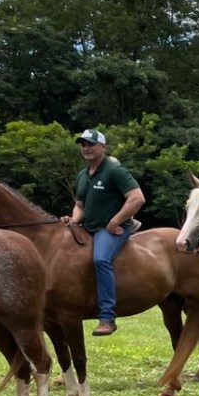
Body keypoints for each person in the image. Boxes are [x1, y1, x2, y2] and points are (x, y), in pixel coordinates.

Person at [69, 128, 145, 337]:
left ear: (103, 147)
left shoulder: (114, 170)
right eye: (83, 144)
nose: (86, 148)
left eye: (91, 144)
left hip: (111, 229)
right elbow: (80, 205)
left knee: (101, 259)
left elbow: (137, 197)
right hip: (88, 228)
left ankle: (107, 317)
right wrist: (73, 220)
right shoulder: (82, 175)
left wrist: (115, 221)